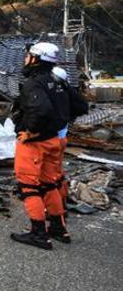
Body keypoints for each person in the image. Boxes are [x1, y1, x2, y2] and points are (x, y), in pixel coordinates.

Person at [10, 42, 68, 250]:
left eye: (28, 56)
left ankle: (38, 234)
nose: (25, 59)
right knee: (49, 183)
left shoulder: (34, 83)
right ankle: (58, 227)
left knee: (29, 186)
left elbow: (41, 110)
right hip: (54, 140)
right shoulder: (56, 82)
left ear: (35, 58)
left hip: (35, 143)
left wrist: (30, 131)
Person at [50, 66, 89, 230]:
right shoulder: (69, 92)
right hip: (62, 137)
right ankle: (62, 205)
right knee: (58, 174)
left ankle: (55, 212)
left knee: (48, 178)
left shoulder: (55, 94)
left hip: (51, 139)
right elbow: (82, 108)